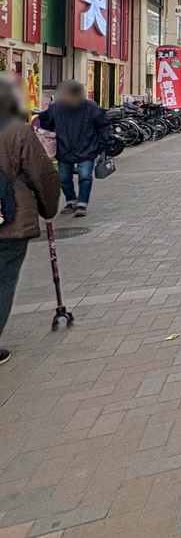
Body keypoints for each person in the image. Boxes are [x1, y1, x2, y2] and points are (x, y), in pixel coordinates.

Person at [0, 75, 61, 366]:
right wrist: (49, 209)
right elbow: (43, 175)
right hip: (8, 224)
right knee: (2, 281)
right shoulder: (17, 132)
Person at [38, 79, 110, 217]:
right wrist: (43, 115)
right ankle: (71, 200)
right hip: (64, 148)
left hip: (86, 148)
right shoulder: (56, 108)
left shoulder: (92, 108)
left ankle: (82, 203)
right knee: (64, 177)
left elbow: (103, 126)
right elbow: (47, 124)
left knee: (85, 176)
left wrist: (105, 144)